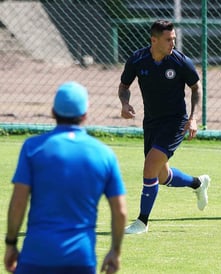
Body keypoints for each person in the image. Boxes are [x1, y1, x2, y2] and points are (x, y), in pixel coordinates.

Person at [3, 81, 127, 274]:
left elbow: (18, 202)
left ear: (53, 112)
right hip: (81, 258)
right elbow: (120, 211)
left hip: (36, 255)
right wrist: (115, 251)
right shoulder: (104, 154)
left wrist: (11, 243)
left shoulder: (32, 148)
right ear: (85, 115)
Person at [118, 19, 210, 234]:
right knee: (161, 176)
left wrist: (193, 118)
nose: (173, 43)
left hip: (175, 121)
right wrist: (124, 103)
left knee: (150, 166)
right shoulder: (137, 60)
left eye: (174, 39)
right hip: (151, 122)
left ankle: (142, 222)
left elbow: (196, 88)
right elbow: (124, 86)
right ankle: (198, 183)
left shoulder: (180, 61)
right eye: (168, 40)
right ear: (154, 40)